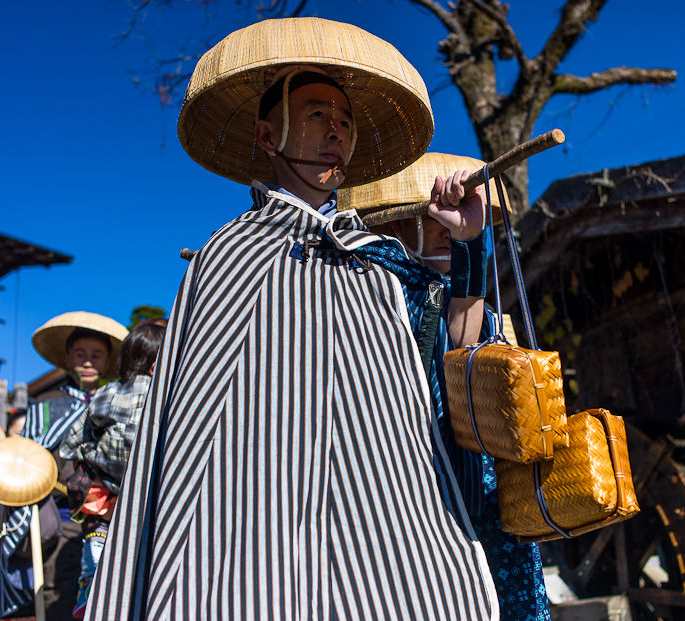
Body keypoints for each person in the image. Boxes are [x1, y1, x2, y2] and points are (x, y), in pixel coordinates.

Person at [87, 17, 501, 620]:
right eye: (315, 114)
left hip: (382, 537)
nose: (335, 129)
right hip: (248, 537)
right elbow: (189, 435)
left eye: (345, 120)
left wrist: (467, 248)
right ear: (266, 133)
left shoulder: (380, 268)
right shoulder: (229, 257)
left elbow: (455, 361)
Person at [340, 153, 552, 621]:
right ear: (393, 227)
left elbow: (466, 345)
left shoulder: (470, 301)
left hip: (481, 501)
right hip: (406, 510)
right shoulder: (371, 293)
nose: (440, 228)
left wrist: (470, 242)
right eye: (424, 217)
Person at [0, 312, 127, 620]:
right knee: (59, 590)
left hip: (110, 516)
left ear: (107, 361)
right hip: (62, 515)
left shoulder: (115, 405)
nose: (87, 361)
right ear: (68, 358)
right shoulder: (46, 407)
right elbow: (26, 458)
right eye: (80, 353)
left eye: (96, 355)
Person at [60, 319, 166, 618]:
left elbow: (69, 444)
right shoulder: (166, 401)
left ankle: (86, 607)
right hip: (147, 511)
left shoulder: (106, 394)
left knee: (93, 575)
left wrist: (92, 452)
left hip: (100, 507)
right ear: (159, 364)